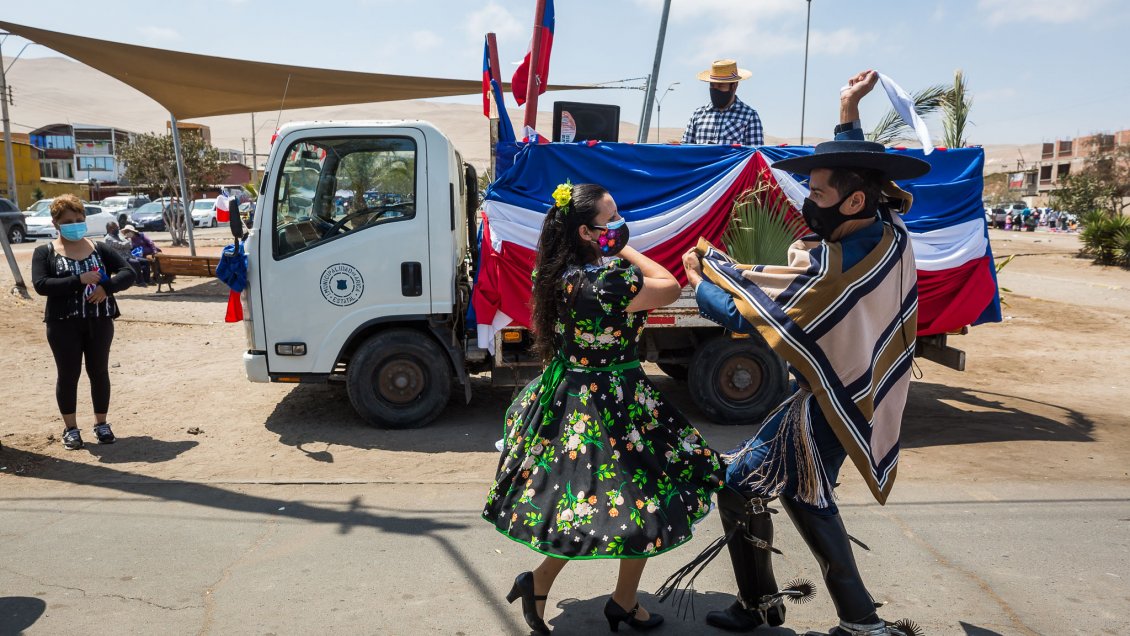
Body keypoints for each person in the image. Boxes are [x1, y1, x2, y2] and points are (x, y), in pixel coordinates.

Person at [679, 70, 926, 636]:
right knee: (802, 492)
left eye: (817, 194)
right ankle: (839, 616)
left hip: (833, 396)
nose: (807, 204)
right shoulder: (883, 226)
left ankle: (803, 611)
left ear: (854, 198)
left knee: (747, 483)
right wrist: (847, 109)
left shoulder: (836, 265)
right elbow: (863, 171)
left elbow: (752, 315)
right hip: (851, 388)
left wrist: (702, 279)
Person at [483, 182, 725, 635]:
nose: (618, 225)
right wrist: (628, 250)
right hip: (616, 406)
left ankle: (605, 595)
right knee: (637, 506)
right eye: (609, 221)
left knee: (601, 507)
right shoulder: (608, 280)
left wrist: (611, 246)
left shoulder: (554, 274)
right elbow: (670, 287)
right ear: (586, 233)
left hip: (576, 400)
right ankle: (597, 594)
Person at [31, 194, 135, 450]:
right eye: (68, 221)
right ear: (55, 223)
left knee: (99, 372)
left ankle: (102, 424)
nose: (75, 224)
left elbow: (128, 273)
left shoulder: (99, 248)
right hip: (62, 324)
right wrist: (79, 280)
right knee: (68, 375)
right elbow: (41, 285)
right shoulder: (44, 252)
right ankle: (71, 429)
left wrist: (106, 288)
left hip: (99, 322)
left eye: (79, 219)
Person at [681, 59, 764, 146]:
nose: (715, 90)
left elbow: (755, 154)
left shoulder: (749, 116)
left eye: (721, 85)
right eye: (712, 85)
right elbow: (685, 150)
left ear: (734, 86)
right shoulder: (698, 115)